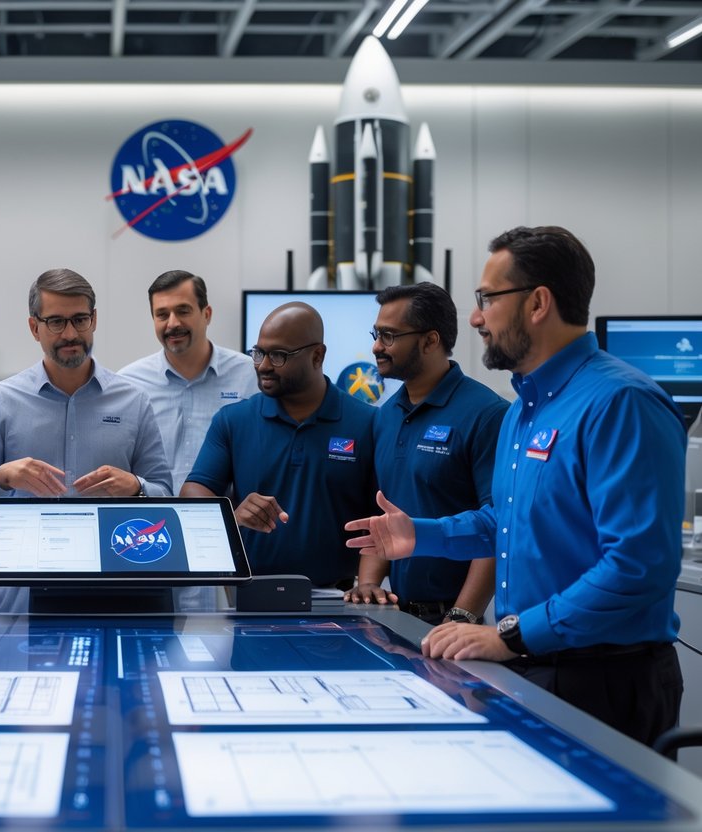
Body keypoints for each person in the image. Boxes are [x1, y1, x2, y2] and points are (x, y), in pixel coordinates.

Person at [345, 226, 685, 746]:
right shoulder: (524, 412)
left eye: (487, 299)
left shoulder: (621, 403)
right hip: (531, 664)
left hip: (604, 678)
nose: (475, 318)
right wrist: (422, 535)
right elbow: (504, 522)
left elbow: (637, 566)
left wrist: (513, 635)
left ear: (538, 303)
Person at [345, 282, 507, 624]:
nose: (376, 346)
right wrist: (369, 585)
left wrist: (461, 617)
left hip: (455, 620)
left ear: (430, 341)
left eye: (389, 336)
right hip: (396, 617)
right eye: (376, 333)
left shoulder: (487, 414)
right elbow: (383, 512)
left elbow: (498, 527)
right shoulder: (385, 416)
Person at [181, 302, 376, 586]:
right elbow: (193, 493)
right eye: (259, 353)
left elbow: (380, 517)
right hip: (252, 594)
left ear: (317, 356)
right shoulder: (233, 420)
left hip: (340, 597)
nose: (263, 365)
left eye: (278, 355)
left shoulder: (368, 423)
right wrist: (232, 516)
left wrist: (369, 584)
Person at [0, 268, 171, 499]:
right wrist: (4, 476)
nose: (70, 334)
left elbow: (163, 490)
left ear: (94, 320)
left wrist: (136, 486)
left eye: (80, 320)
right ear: (34, 328)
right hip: (27, 525)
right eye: (56, 322)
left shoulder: (133, 401)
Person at [118, 270, 257, 492]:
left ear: (207, 314)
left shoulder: (250, 375)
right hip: (153, 512)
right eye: (162, 315)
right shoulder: (129, 383)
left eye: (183, 311)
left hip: (228, 513)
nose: (173, 323)